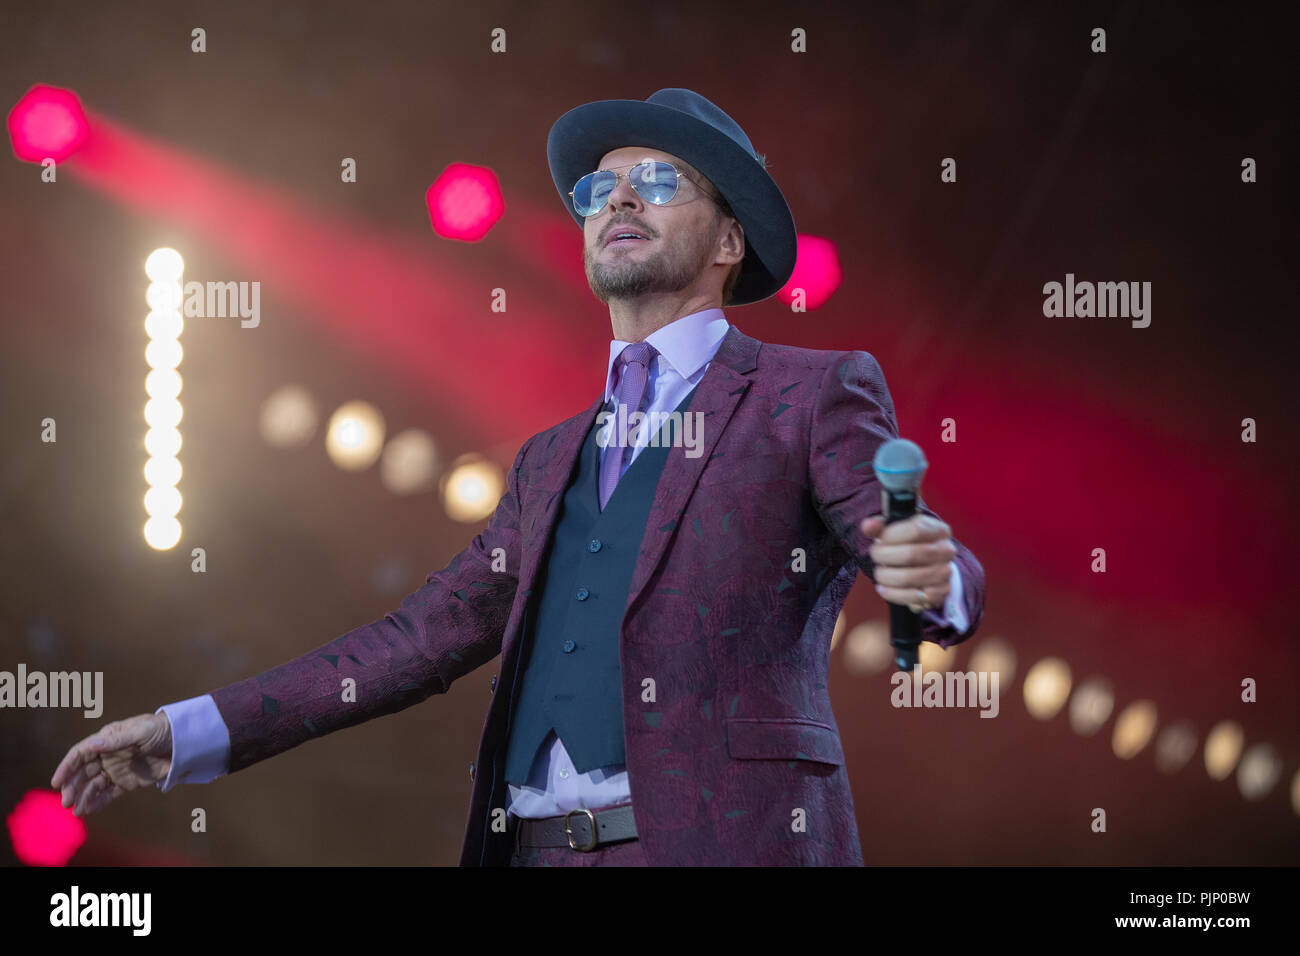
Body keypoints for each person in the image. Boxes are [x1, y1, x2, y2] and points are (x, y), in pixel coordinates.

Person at [52, 88, 985, 866]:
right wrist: (193, 730)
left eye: (657, 182)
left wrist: (931, 576)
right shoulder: (548, 459)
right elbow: (416, 640)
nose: (618, 200)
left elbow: (905, 545)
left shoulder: (810, 392)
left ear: (728, 240)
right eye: (599, 189)